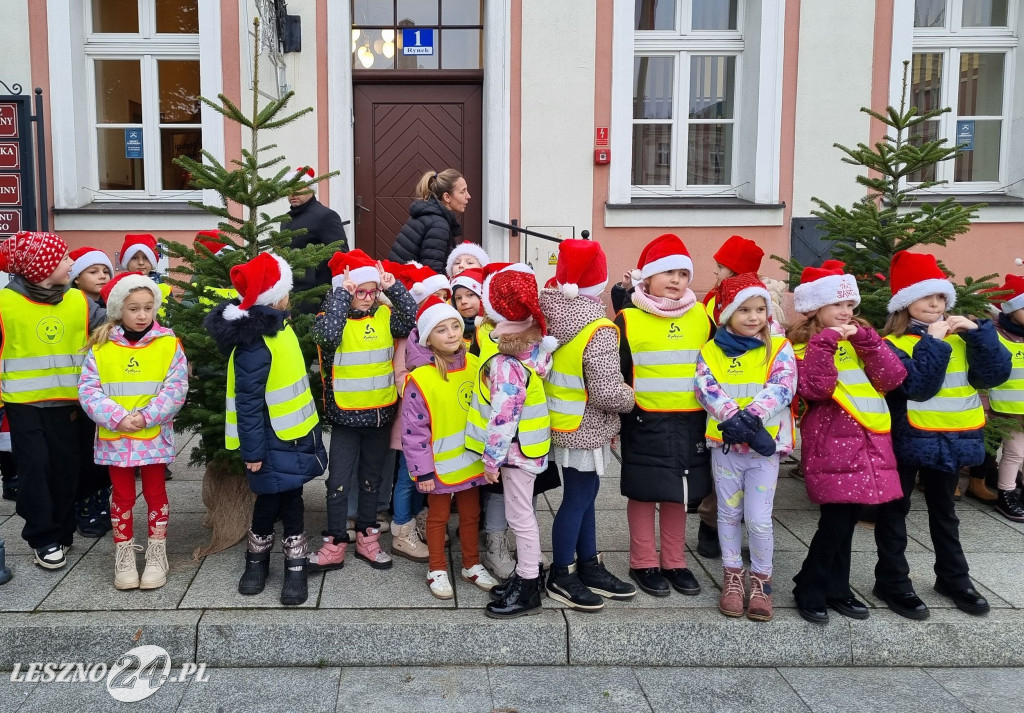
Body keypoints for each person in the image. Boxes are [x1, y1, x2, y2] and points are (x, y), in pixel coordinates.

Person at [879, 251, 1010, 617]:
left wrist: (980, 335)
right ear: (906, 303)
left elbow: (993, 376)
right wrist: (933, 343)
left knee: (945, 510)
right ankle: (892, 580)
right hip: (908, 437)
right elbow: (918, 387)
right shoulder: (892, 343)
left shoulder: (961, 339)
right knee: (896, 510)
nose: (936, 304)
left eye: (941, 298)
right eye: (926, 297)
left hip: (951, 436)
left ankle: (954, 578)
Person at [205, 252, 327, 606]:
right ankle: (262, 561)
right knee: (274, 500)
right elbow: (248, 402)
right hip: (270, 441)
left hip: (291, 435)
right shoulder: (255, 344)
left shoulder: (279, 328)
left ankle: (290, 563)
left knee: (289, 497)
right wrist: (253, 452)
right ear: (278, 295)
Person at [786, 262, 905, 624]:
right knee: (836, 521)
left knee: (848, 518)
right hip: (832, 444)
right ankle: (811, 585)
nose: (846, 312)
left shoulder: (858, 341)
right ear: (816, 309)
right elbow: (816, 390)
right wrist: (826, 342)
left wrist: (868, 342)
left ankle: (835, 587)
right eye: (837, 305)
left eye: (850, 305)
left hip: (868, 442)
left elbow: (893, 376)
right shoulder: (803, 346)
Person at [0, 232, 106, 569]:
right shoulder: (5, 303)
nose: (70, 263)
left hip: (69, 405)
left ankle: (62, 531)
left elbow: (108, 331)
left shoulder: (78, 300)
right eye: (62, 260)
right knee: (35, 470)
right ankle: (43, 537)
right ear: (40, 267)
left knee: (65, 469)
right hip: (23, 405)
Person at [615, 234, 713, 599]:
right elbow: (618, 370)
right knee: (644, 492)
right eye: (668, 272)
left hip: (690, 421)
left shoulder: (702, 317)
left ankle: (674, 561)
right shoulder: (629, 318)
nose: (676, 280)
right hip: (644, 420)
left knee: (678, 492)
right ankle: (642, 561)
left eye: (683, 273)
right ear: (648, 278)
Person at [540, 239, 636, 611]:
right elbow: (606, 391)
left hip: (560, 421)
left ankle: (589, 563)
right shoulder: (598, 328)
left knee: (586, 495)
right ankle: (563, 573)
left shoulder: (550, 313)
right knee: (579, 498)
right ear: (600, 281)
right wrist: (632, 397)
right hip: (587, 425)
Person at [696, 272, 797, 622]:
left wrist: (750, 418)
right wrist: (732, 417)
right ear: (727, 315)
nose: (754, 317)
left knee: (758, 518)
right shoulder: (711, 350)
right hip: (725, 448)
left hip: (763, 450)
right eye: (744, 310)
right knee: (728, 512)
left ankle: (762, 581)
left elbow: (783, 386)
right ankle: (732, 575)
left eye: (760, 309)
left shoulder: (779, 348)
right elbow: (705, 388)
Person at [309, 249, 417, 571]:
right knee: (338, 483)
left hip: (379, 416)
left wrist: (392, 287)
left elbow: (413, 319)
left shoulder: (384, 316)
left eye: (372, 292)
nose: (368, 298)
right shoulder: (329, 321)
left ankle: (368, 540)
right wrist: (342, 295)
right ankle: (335, 543)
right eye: (361, 291)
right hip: (345, 419)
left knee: (371, 480)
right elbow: (327, 338)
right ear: (346, 291)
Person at [78, 272, 187, 590]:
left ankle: (156, 554)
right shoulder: (101, 347)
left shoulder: (168, 344)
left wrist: (147, 416)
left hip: (151, 434)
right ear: (117, 311)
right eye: (134, 308)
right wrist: (116, 418)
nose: (142, 315)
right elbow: (88, 390)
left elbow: (176, 387)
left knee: (155, 493)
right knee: (122, 496)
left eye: (148, 308)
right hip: (117, 436)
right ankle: (124, 555)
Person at [465, 262, 556, 618]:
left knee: (521, 519)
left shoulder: (505, 362)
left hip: (515, 453)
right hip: (527, 449)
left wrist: (491, 462)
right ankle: (523, 578)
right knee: (523, 515)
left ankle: (528, 585)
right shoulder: (532, 348)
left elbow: (503, 418)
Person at [404, 295, 498, 598]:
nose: (452, 334)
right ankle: (437, 568)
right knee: (438, 518)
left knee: (471, 516)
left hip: (472, 461)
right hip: (439, 468)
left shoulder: (475, 364)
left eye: (455, 326)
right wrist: (423, 471)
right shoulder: (421, 378)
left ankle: (471, 564)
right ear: (428, 338)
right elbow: (414, 431)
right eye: (442, 329)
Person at [68, 245, 117, 536]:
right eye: (92, 271)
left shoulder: (110, 305)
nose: (101, 276)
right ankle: (85, 505)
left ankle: (102, 499)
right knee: (86, 450)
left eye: (105, 271)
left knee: (105, 448)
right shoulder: (76, 306)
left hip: (108, 390)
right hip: (82, 390)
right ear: (75, 277)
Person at [280, 166, 349, 315]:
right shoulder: (285, 219)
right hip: (290, 290)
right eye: (289, 189)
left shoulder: (326, 216)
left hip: (315, 294)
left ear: (311, 189)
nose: (293, 193)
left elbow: (341, 253)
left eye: (299, 188)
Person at [988, 274, 1024, 521]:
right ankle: (1007, 494)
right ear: (1011, 309)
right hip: (1007, 410)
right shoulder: (997, 335)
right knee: (1014, 453)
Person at [389, 169, 470, 274]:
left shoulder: (431, 215)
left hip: (400, 280)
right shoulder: (438, 224)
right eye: (462, 191)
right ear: (447, 197)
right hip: (407, 284)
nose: (468, 196)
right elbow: (431, 273)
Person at [118, 234, 172, 310]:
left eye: (146, 258)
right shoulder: (118, 287)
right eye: (134, 258)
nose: (141, 262)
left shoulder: (164, 287)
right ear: (127, 262)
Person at [451, 267, 484, 347]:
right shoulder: (451, 328)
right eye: (458, 298)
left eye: (470, 295)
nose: (463, 301)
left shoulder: (492, 326)